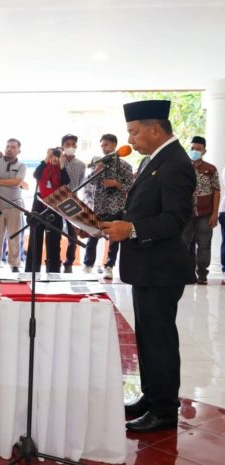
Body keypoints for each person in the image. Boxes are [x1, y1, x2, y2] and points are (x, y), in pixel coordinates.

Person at [102, 100, 195, 433]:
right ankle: (152, 396)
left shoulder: (176, 164)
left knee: (159, 339)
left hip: (162, 268)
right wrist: (115, 221)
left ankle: (165, 410)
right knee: (147, 336)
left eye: (134, 131)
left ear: (155, 129)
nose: (132, 138)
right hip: (146, 266)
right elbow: (143, 209)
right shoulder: (153, 160)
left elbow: (176, 219)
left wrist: (132, 230)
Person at [82, 134, 133, 279]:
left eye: (107, 145)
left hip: (116, 207)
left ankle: (109, 266)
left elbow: (131, 187)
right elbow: (88, 182)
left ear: (115, 146)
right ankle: (87, 265)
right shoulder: (96, 161)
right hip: (97, 206)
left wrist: (116, 184)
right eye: (102, 145)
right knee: (93, 236)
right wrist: (97, 169)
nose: (105, 148)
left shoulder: (125, 165)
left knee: (114, 239)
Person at [182, 136, 220, 284]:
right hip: (185, 213)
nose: (195, 151)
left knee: (204, 245)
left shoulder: (211, 169)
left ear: (204, 151)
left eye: (198, 149)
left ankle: (202, 274)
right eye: (192, 148)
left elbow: (216, 191)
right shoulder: (182, 167)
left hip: (205, 213)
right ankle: (186, 274)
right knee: (183, 244)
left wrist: (214, 214)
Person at [25, 148, 70, 273]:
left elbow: (66, 181)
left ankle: (53, 271)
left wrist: (61, 164)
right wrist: (46, 158)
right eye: (53, 156)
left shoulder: (61, 170)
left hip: (55, 206)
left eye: (57, 156)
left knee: (54, 241)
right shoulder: (43, 167)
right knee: (35, 240)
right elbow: (36, 174)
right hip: (39, 204)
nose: (55, 158)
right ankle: (32, 271)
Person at [0, 138, 26, 273]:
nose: (10, 149)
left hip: (15, 205)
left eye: (13, 147)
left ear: (18, 150)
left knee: (15, 237)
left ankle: (14, 265)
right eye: (8, 146)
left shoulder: (22, 166)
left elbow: (16, 182)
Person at [59, 134, 86, 272]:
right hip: (56, 201)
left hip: (73, 201)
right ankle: (54, 260)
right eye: (67, 144)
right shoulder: (57, 161)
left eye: (73, 144)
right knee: (55, 232)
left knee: (73, 234)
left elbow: (81, 182)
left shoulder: (81, 165)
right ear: (62, 146)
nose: (70, 146)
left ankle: (69, 263)